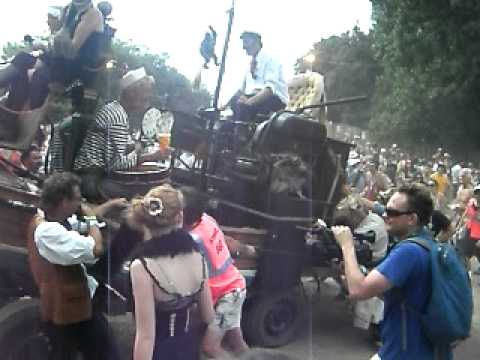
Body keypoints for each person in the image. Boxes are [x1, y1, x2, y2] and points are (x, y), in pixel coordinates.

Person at [333, 184, 450, 360]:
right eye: (386, 209)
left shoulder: (409, 252)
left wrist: (346, 245)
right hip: (423, 350)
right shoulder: (426, 243)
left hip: (405, 353)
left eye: (393, 212)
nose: (385, 215)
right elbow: (395, 293)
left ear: (412, 219)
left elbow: (358, 291)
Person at [27, 172, 120, 359]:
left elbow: (80, 225)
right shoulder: (47, 231)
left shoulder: (56, 221)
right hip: (67, 310)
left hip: (75, 304)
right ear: (63, 202)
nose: (81, 204)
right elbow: (96, 248)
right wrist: (93, 220)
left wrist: (111, 206)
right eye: (77, 199)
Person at [127, 184, 218, 360]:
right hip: (188, 349)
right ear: (180, 217)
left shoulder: (142, 266)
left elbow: (146, 336)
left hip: (160, 352)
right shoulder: (197, 255)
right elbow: (208, 316)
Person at [73, 67, 168, 201]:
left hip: (91, 175)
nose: (147, 100)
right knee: (145, 192)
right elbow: (115, 164)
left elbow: (120, 148)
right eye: (145, 94)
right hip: (92, 180)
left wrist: (136, 148)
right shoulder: (118, 118)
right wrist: (151, 156)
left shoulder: (114, 109)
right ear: (132, 93)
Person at [182, 187, 254, 358]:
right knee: (236, 342)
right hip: (234, 287)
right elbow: (226, 241)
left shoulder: (191, 240)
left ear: (181, 216)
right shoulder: (206, 220)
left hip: (227, 295)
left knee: (210, 347)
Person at [226, 31, 288, 123]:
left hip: (274, 101)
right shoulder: (250, 65)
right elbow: (241, 90)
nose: (243, 47)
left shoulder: (271, 59)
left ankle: (242, 134)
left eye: (246, 42)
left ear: (255, 41)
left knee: (242, 106)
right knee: (234, 105)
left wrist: (249, 102)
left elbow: (270, 90)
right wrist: (224, 106)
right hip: (255, 98)